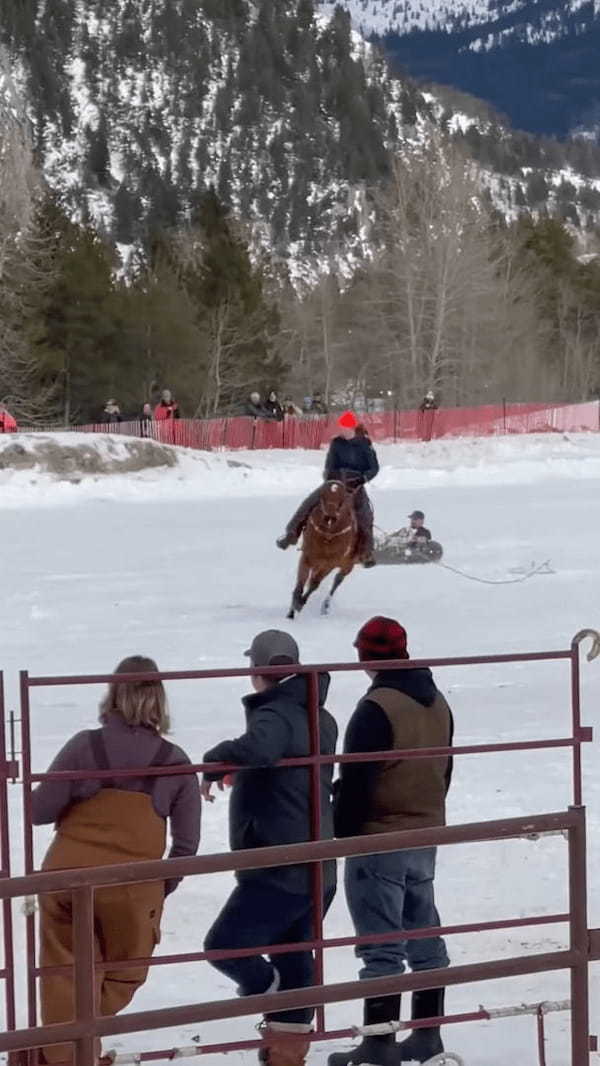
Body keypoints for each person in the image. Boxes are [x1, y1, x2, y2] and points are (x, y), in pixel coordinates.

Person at [32, 656, 201, 1066]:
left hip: (66, 878)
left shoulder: (84, 746)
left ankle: (65, 1052)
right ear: (158, 699)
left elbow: (38, 811)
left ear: (113, 694)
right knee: (124, 974)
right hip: (132, 887)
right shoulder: (176, 762)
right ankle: (77, 1050)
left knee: (63, 977)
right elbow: (186, 844)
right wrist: (158, 888)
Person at [203, 630, 338, 1066]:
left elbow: (261, 748)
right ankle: (287, 1052)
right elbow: (286, 769)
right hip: (316, 861)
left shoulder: (276, 713)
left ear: (256, 670)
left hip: (279, 864)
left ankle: (267, 991)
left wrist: (217, 757)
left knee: (225, 944)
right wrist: (246, 773)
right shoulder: (319, 714)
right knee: (295, 953)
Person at [330, 618, 453, 1066]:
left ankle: (379, 1044)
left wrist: (340, 830)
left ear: (364, 657)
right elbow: (446, 769)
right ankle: (426, 1035)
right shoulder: (437, 702)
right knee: (424, 935)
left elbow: (357, 779)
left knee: (381, 945)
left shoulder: (376, 707)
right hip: (425, 832)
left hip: (379, 836)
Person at [277, 411, 379, 567]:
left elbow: (374, 468)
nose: (342, 430)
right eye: (341, 427)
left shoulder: (365, 444)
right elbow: (330, 464)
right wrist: (329, 479)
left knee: (365, 514)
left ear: (352, 427)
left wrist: (363, 478)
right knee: (310, 502)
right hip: (336, 481)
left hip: (355, 483)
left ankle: (367, 552)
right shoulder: (336, 442)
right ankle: (292, 534)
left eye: (345, 427)